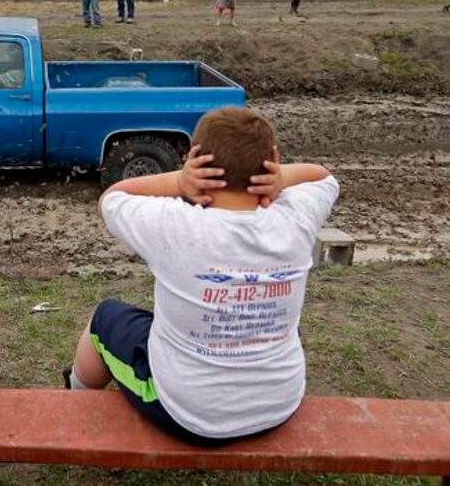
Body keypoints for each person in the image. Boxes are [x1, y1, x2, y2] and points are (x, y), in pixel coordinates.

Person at [63, 107, 339, 445]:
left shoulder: (176, 224)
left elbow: (112, 197)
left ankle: (72, 400)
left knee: (104, 318)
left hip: (188, 414)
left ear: (196, 158)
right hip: (278, 405)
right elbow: (323, 176)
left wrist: (179, 182)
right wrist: (280, 178)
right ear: (273, 159)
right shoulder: (296, 218)